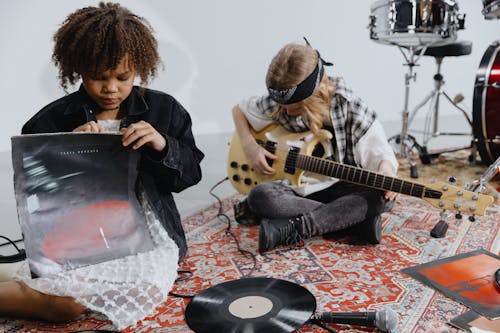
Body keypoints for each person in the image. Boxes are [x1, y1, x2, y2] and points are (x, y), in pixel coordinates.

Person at [0, 2, 204, 329]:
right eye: (98, 77)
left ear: (139, 66)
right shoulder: (50, 120)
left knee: (144, 290)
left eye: (122, 77)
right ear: (78, 69)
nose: (110, 88)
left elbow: (191, 174)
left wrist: (162, 145)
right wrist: (67, 151)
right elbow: (36, 197)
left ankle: (19, 278)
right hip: (79, 233)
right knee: (67, 305)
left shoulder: (164, 109)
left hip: (147, 234)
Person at [232, 39, 398, 254]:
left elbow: (382, 154)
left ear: (318, 90)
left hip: (341, 189)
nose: (288, 111)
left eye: (297, 106)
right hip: (299, 190)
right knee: (260, 196)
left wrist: (386, 173)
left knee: (381, 197)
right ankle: (354, 223)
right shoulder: (282, 100)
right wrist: (250, 146)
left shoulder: (353, 111)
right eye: (284, 106)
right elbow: (239, 110)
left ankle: (295, 229)